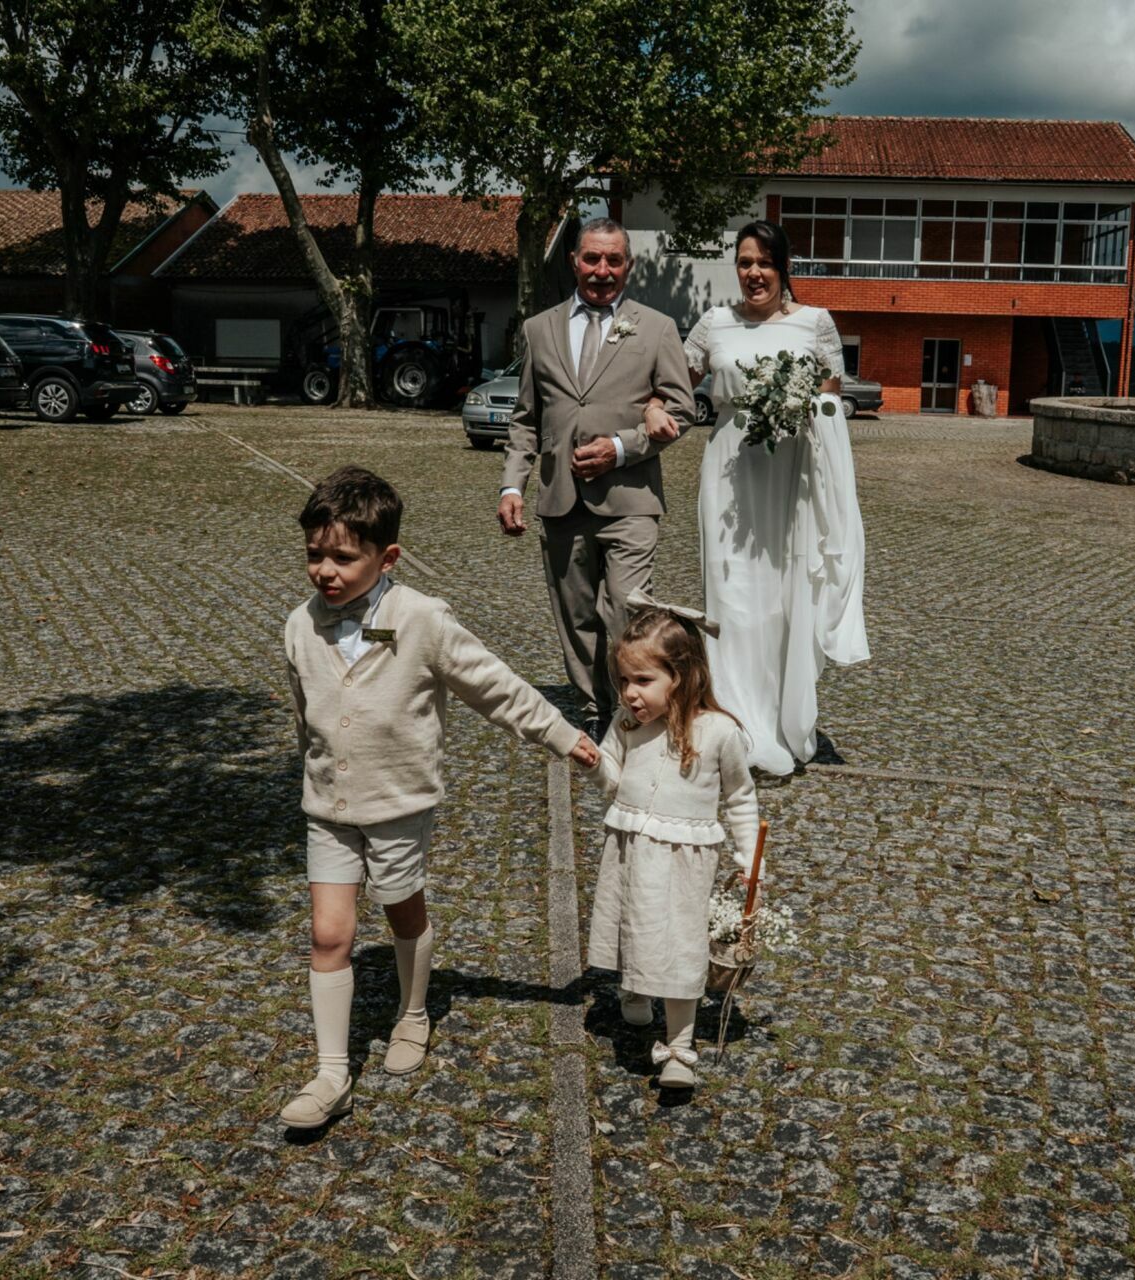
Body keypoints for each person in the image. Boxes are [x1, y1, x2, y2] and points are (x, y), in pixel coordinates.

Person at [279, 467, 600, 1129]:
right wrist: (308, 771)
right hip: (328, 807)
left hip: (399, 802)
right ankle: (332, 1072)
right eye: (315, 555)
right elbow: (304, 712)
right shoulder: (299, 626)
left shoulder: (422, 619)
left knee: (401, 910)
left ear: (387, 557)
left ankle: (413, 1011)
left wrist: (564, 736)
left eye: (344, 558)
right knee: (329, 934)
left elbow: (494, 686)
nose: (325, 572)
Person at [648, 219, 869, 775]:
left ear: (783, 267)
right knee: (729, 593)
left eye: (765, 263)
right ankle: (733, 718)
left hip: (790, 474)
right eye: (745, 262)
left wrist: (799, 405)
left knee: (781, 595)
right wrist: (652, 406)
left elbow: (830, 401)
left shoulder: (815, 323)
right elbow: (675, 384)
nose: (754, 273)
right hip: (728, 470)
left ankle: (779, 717)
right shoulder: (714, 323)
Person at [497, 217, 698, 741]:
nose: (602, 270)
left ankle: (636, 706)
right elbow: (526, 419)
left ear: (629, 266)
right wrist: (513, 486)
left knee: (627, 609)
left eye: (613, 260)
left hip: (631, 500)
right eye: (592, 259)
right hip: (561, 500)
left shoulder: (656, 328)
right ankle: (593, 706)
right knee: (576, 615)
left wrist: (620, 448)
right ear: (575, 262)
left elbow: (682, 410)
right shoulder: (538, 329)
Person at [587, 590, 759, 1090]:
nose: (629, 693)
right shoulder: (626, 724)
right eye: (623, 680)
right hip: (630, 847)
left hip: (686, 860)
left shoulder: (719, 732)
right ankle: (636, 990)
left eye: (643, 680)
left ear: (681, 677)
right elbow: (613, 777)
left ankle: (680, 1047)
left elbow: (741, 797)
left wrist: (750, 860)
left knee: (680, 945)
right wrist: (594, 761)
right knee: (631, 921)